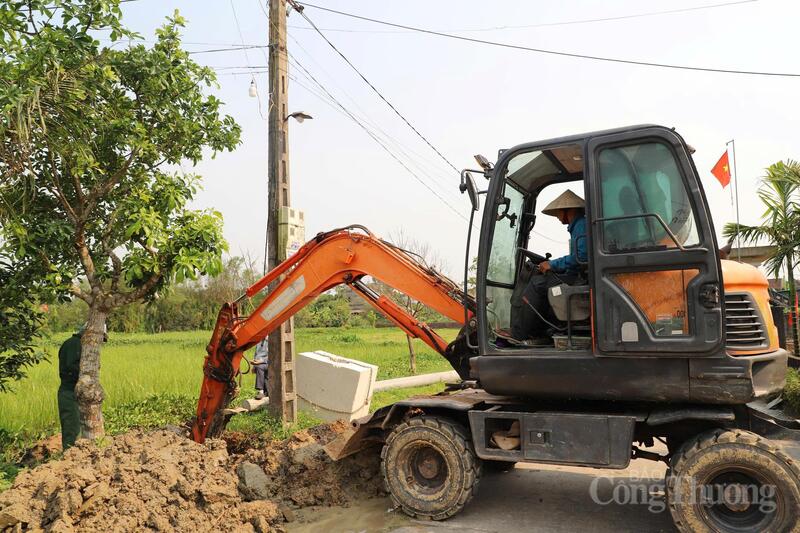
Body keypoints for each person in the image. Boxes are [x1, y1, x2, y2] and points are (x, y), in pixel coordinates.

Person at [511, 190, 588, 344]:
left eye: (559, 212)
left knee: (537, 283)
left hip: (579, 279)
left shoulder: (581, 225)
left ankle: (520, 333)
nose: (558, 216)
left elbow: (582, 257)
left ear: (569, 210)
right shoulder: (578, 226)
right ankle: (543, 330)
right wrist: (555, 267)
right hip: (577, 275)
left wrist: (552, 264)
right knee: (544, 280)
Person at [57, 327, 83, 449]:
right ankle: (69, 459)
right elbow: (71, 367)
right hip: (69, 392)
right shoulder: (75, 344)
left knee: (77, 428)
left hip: (74, 392)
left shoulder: (75, 343)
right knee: (71, 429)